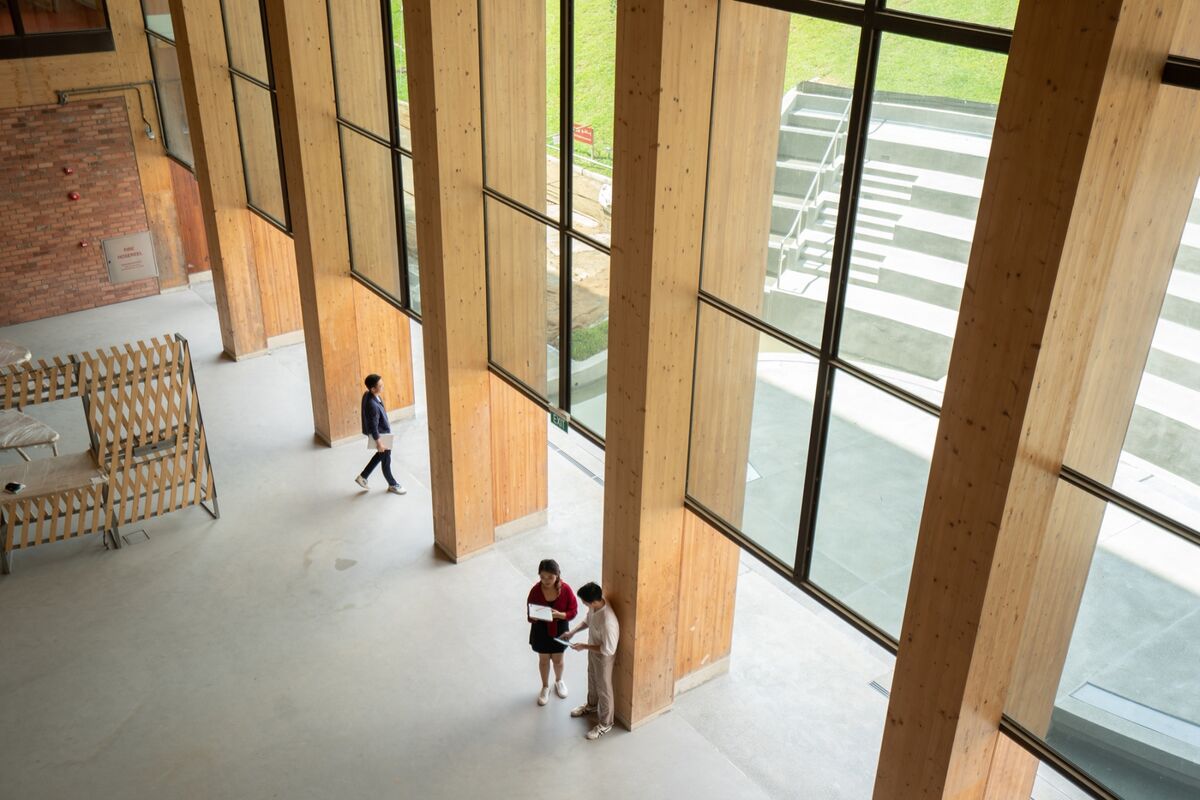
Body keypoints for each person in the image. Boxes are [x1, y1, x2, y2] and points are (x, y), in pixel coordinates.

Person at [565, 582, 619, 740]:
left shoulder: (609, 622)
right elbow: (588, 620)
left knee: (604, 688)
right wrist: (573, 632)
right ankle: (591, 706)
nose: (583, 604)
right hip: (592, 648)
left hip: (604, 655)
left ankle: (606, 724)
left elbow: (609, 649)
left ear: (593, 601)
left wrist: (584, 646)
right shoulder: (595, 605)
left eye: (584, 602)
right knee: (591, 678)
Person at [526, 559, 578, 706]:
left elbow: (573, 611)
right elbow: (529, 613)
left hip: (560, 630)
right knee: (543, 661)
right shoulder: (535, 590)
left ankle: (558, 681)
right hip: (541, 630)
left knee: (558, 660)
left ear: (557, 575)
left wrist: (560, 615)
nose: (546, 580)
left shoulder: (566, 589)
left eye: (550, 577)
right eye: (542, 577)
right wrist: (535, 616)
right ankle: (545, 686)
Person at [355, 374, 406, 495]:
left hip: (382, 434)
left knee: (380, 455)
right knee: (386, 461)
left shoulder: (369, 395)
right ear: (372, 389)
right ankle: (392, 484)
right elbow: (373, 426)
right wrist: (379, 443)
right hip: (382, 437)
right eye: (380, 386)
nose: (383, 387)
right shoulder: (372, 405)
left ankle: (363, 477)